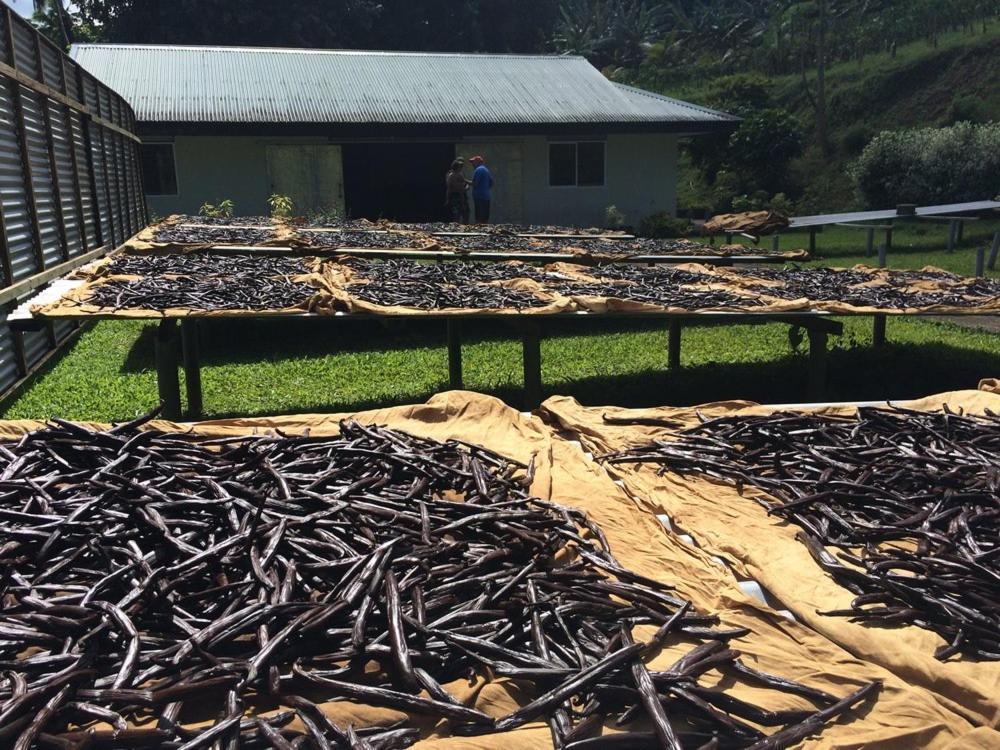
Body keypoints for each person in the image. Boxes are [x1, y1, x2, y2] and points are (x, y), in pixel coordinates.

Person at [444, 158, 470, 224]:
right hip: (455, 196)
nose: (461, 167)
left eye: (462, 165)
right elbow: (450, 187)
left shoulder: (461, 173)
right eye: (460, 165)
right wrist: (448, 199)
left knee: (466, 213)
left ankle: (465, 227)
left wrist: (468, 185)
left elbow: (465, 182)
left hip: (462, 195)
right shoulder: (451, 175)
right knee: (456, 214)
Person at [469, 155, 493, 224]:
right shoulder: (486, 170)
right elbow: (491, 183)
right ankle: (485, 231)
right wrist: (485, 189)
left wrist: (465, 181)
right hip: (486, 196)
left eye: (473, 162)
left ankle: (479, 231)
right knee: (485, 217)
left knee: (479, 216)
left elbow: (475, 184)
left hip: (479, 196)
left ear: (477, 162)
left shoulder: (478, 170)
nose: (472, 164)